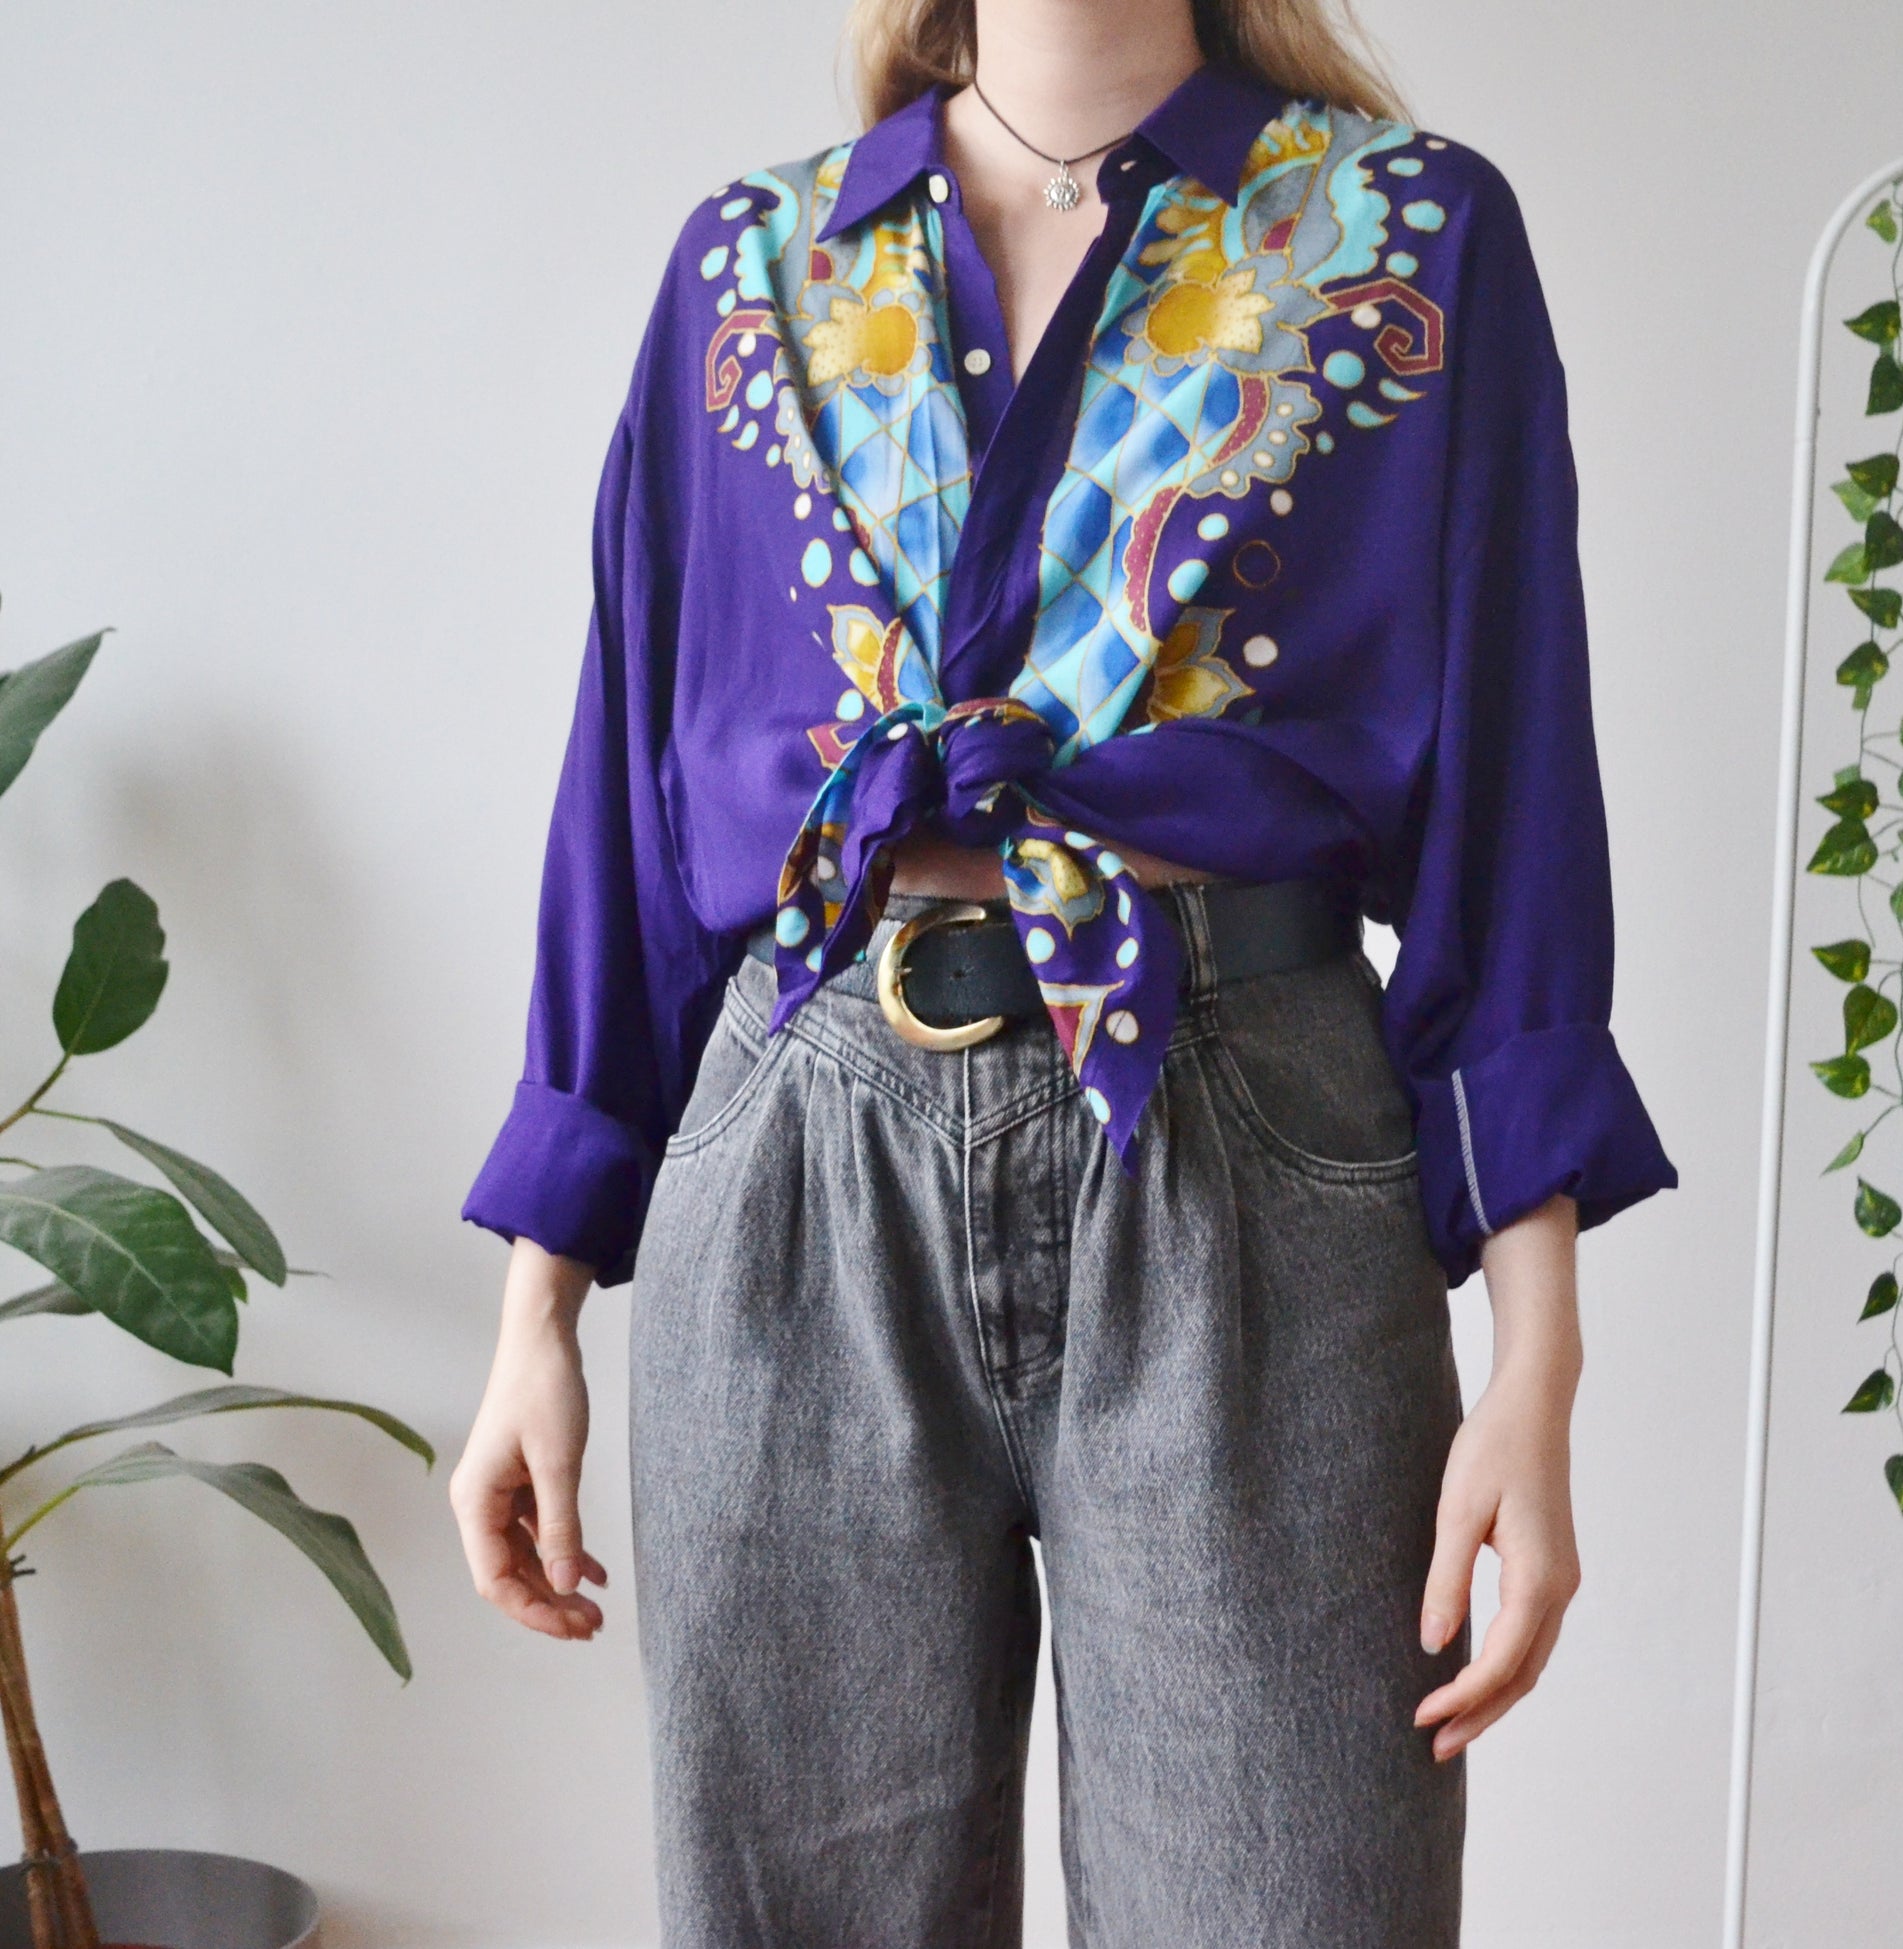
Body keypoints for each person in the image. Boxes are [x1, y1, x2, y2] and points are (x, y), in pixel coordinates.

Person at [449, 0, 1680, 1940]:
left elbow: (1510, 809)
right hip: (801, 1158)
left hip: (1248, 1148)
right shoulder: (752, 262)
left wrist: (1541, 1366)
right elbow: (630, 794)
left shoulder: (1408, 230)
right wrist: (537, 1309)